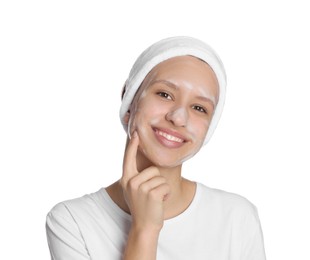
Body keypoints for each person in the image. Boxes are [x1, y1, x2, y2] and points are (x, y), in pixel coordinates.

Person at [46, 36, 266, 260]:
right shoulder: (72, 221)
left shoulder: (237, 218)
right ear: (129, 99)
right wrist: (145, 229)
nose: (178, 118)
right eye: (164, 94)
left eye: (199, 108)